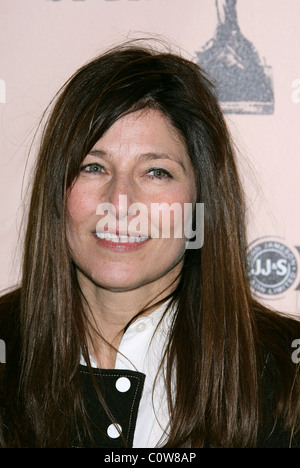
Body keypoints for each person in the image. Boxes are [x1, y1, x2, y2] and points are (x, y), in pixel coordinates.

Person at [0, 41, 299, 448]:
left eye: (156, 172)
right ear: (56, 190)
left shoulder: (288, 374)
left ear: (201, 200)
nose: (120, 203)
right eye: (93, 166)